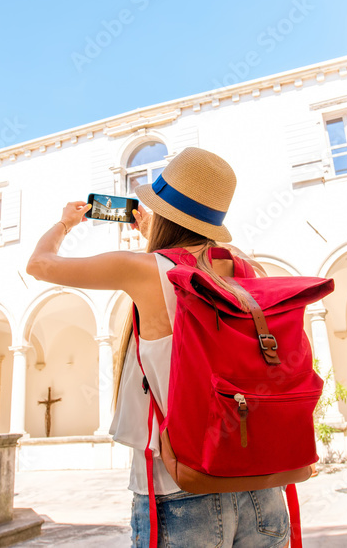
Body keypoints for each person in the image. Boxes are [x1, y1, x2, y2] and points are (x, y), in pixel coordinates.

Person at [26, 147, 292, 547]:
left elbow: (40, 264)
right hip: (260, 486)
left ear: (164, 212)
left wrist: (66, 223)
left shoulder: (142, 269)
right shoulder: (243, 266)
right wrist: (157, 236)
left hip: (181, 487)